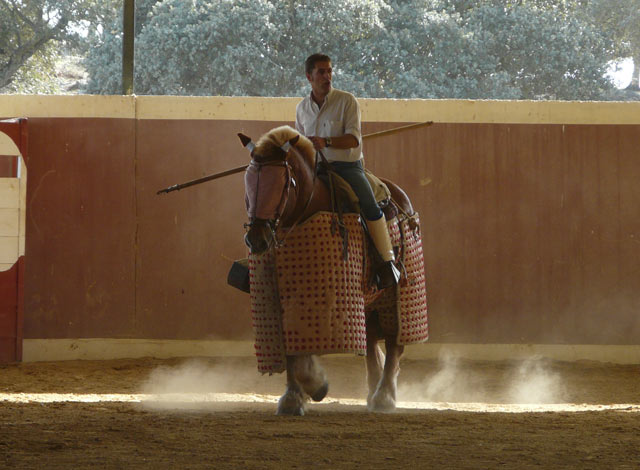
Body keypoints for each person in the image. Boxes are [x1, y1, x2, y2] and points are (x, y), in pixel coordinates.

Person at [295, 53, 400, 289]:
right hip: (315, 169)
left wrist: (326, 142)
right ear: (308, 76)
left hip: (347, 168)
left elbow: (353, 139)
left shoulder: (347, 101)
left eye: (329, 71)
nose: (327, 76)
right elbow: (301, 143)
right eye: (321, 72)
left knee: (369, 204)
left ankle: (387, 262)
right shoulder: (302, 108)